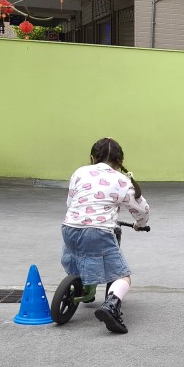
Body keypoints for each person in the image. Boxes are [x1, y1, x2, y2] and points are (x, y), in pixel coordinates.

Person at [60, 137, 150, 334]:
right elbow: (142, 210)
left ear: (93, 158)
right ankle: (111, 305)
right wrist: (140, 225)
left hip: (69, 227)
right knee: (121, 275)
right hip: (98, 230)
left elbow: (70, 201)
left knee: (79, 255)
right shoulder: (122, 180)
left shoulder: (80, 172)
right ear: (120, 162)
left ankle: (82, 286)